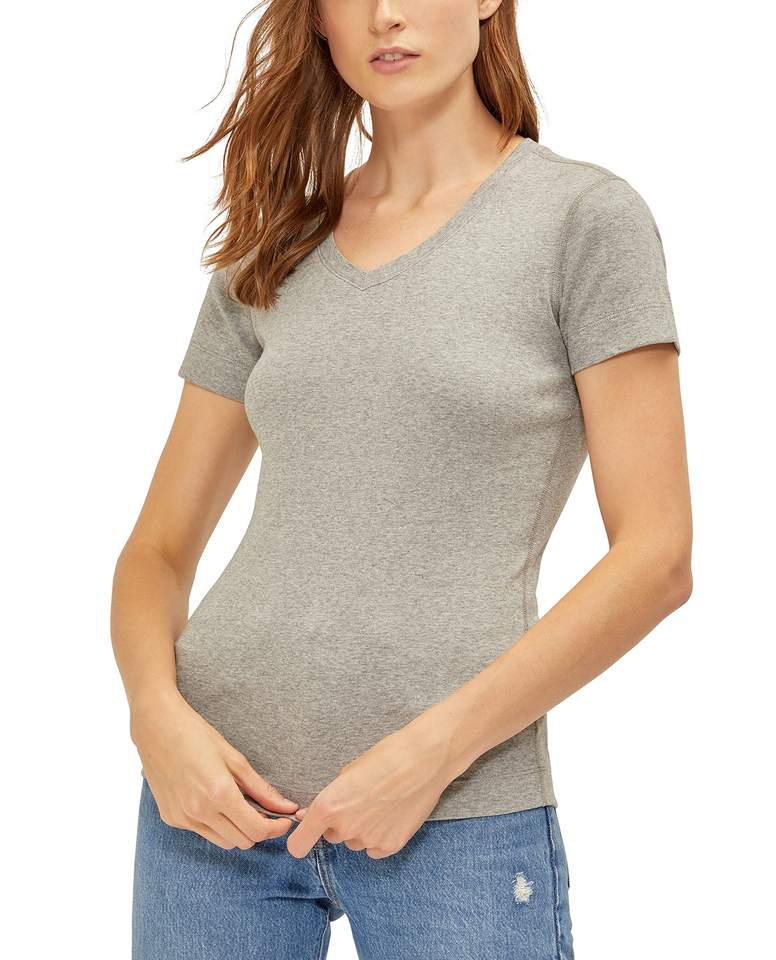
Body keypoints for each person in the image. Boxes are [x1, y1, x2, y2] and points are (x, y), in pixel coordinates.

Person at [111, 2, 692, 957]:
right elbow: (157, 549)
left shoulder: (582, 221)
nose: (386, 14)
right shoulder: (274, 245)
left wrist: (432, 754)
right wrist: (155, 719)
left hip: (454, 812)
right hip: (214, 811)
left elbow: (658, 558)